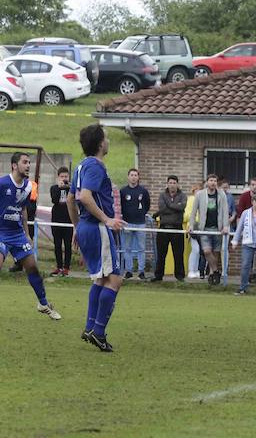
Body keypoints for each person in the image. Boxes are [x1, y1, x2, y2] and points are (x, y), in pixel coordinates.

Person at [66, 124, 124, 351]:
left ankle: (90, 328)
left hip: (86, 227)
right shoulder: (95, 166)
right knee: (115, 279)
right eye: (107, 138)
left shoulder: (81, 165)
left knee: (101, 278)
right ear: (100, 143)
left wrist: (76, 227)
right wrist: (107, 219)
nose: (108, 141)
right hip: (98, 227)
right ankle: (98, 332)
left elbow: (71, 198)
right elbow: (86, 197)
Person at [0, 153, 61, 320]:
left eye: (29, 162)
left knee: (33, 268)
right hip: (1, 233)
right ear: (14, 165)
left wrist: (27, 234)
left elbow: (23, 210)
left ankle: (43, 303)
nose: (28, 165)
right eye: (24, 162)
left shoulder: (28, 186)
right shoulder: (2, 183)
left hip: (18, 234)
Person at [188, 173, 229, 285]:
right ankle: (216, 271)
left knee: (215, 253)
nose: (213, 183)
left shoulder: (221, 195)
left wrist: (225, 226)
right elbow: (193, 212)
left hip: (217, 228)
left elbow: (225, 211)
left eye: (215, 181)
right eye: (211, 180)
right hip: (204, 228)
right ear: (207, 182)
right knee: (206, 251)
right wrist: (191, 225)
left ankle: (212, 276)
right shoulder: (200, 195)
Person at [152, 175, 187, 282]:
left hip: (177, 228)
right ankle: (158, 276)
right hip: (163, 228)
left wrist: (169, 205)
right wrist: (174, 207)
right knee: (161, 253)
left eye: (174, 183)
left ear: (177, 184)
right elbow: (162, 208)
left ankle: (180, 276)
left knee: (178, 254)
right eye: (170, 183)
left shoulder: (182, 195)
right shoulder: (162, 195)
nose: (172, 185)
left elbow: (181, 207)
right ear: (167, 184)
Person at [119, 168, 150, 279]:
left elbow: (147, 205)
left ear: (138, 177)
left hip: (140, 223)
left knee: (141, 248)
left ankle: (141, 271)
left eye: (135, 175)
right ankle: (129, 270)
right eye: (131, 175)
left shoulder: (143, 191)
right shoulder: (123, 191)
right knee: (127, 248)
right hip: (127, 223)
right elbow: (120, 205)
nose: (133, 177)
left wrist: (141, 214)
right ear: (128, 177)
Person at [49, 166, 73, 277]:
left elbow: (75, 198)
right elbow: (54, 200)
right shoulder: (54, 188)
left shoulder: (71, 188)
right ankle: (59, 266)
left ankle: (67, 267)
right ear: (58, 177)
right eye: (62, 176)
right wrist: (60, 188)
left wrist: (67, 187)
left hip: (68, 220)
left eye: (66, 176)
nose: (64, 178)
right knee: (57, 245)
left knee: (68, 245)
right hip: (56, 220)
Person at [184, 182, 201, 279]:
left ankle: (196, 270)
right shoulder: (191, 200)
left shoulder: (203, 200)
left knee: (200, 250)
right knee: (195, 249)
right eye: (196, 190)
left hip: (201, 227)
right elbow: (186, 215)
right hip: (193, 227)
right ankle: (191, 270)